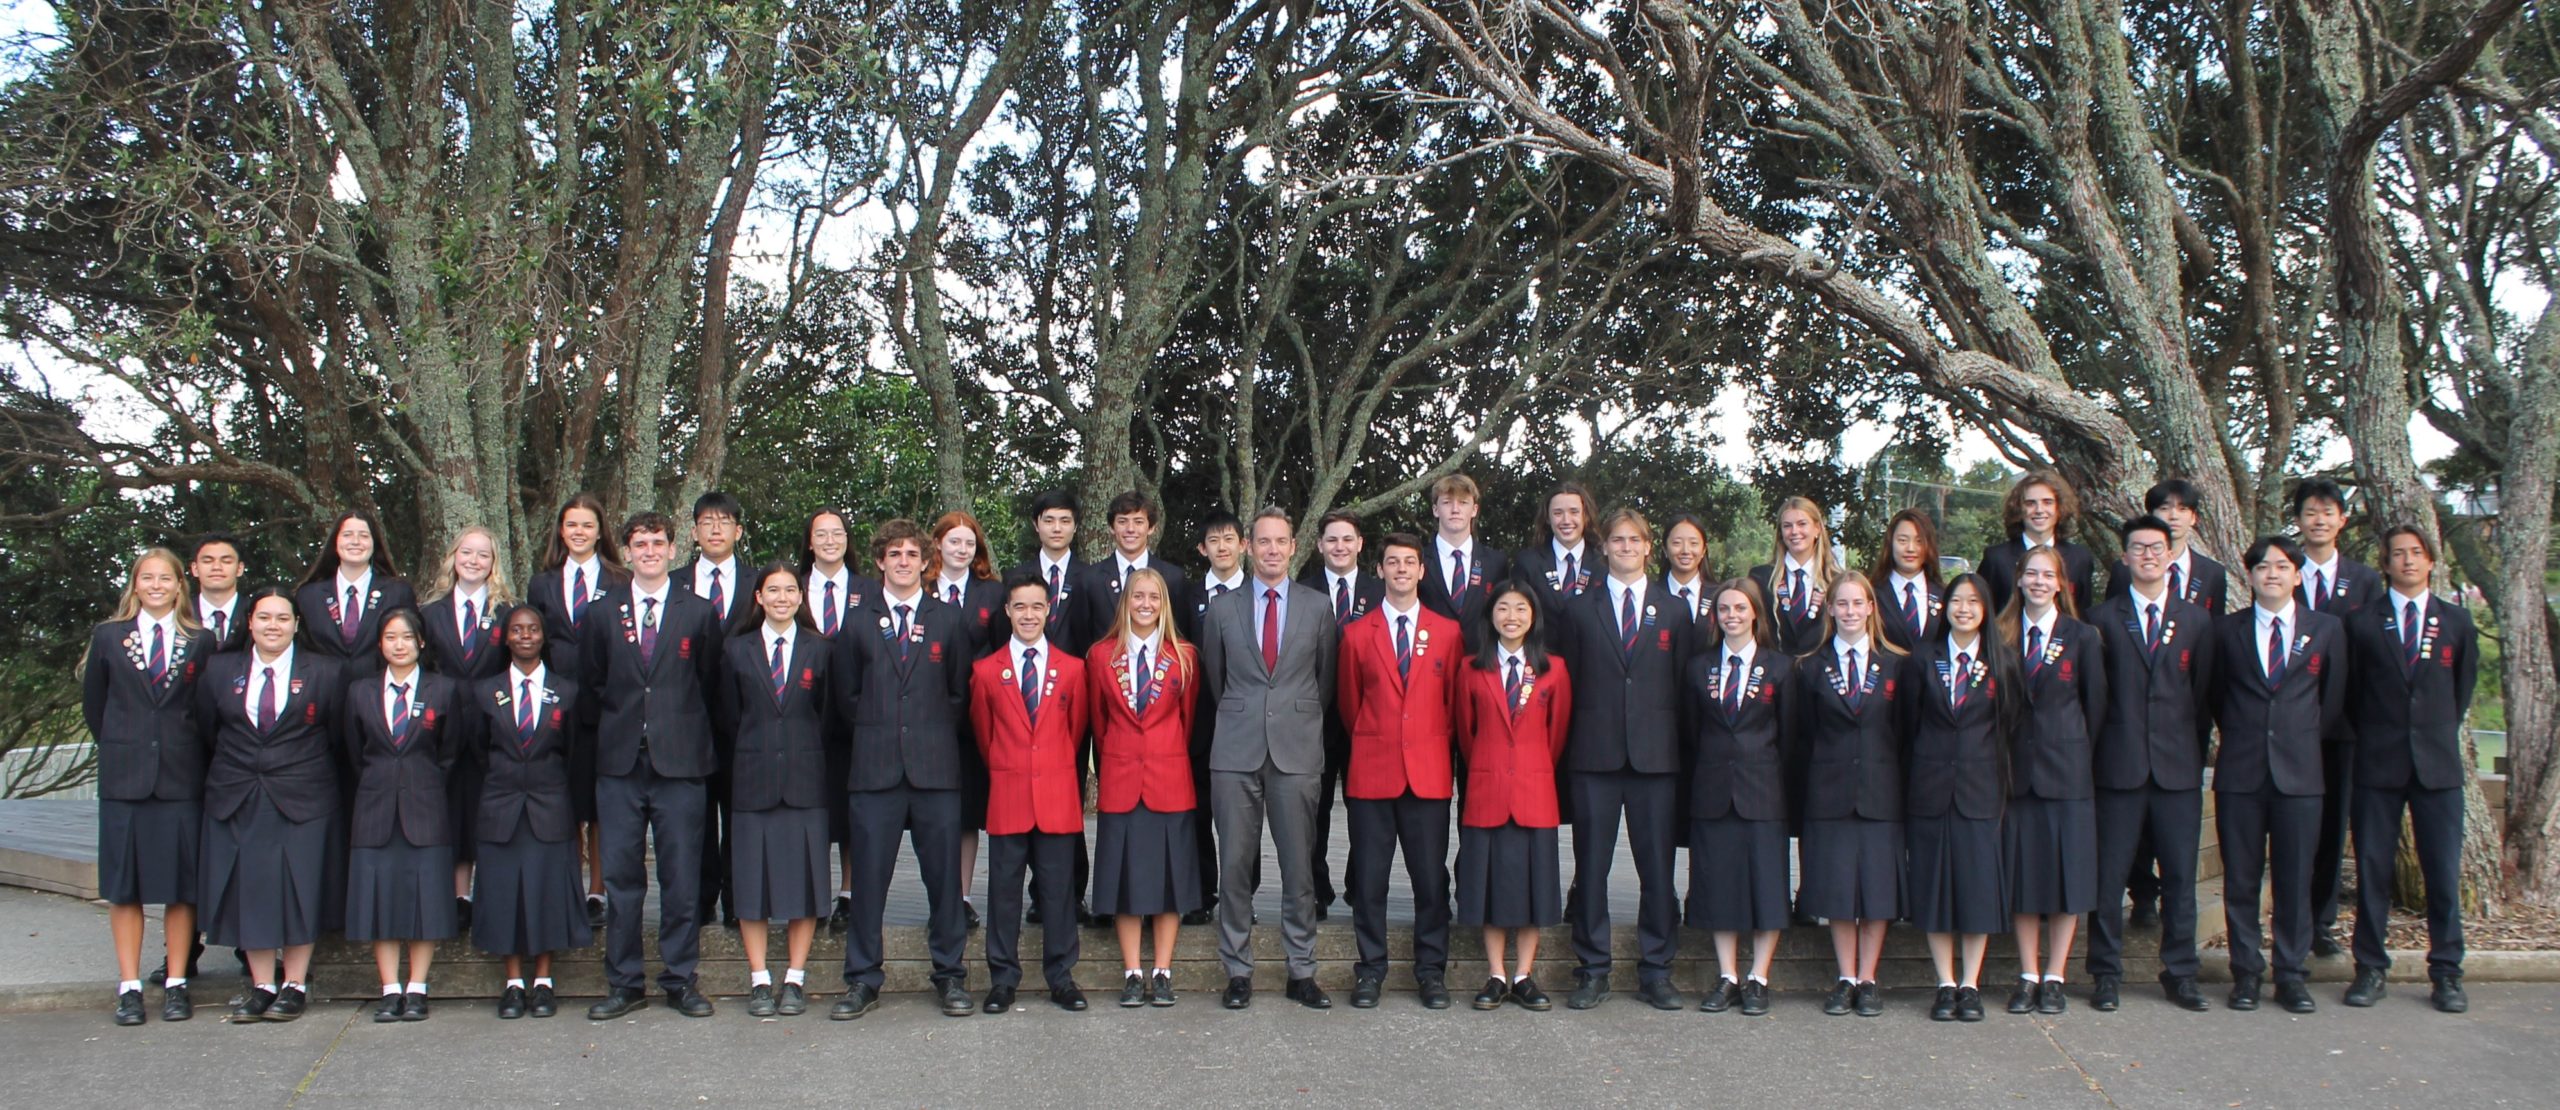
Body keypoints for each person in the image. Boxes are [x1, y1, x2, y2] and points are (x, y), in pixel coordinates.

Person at [578, 510, 726, 1020]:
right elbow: (595, 685)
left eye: (657, 542)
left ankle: (680, 979)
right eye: (639, 543)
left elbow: (707, 684)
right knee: (621, 879)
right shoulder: (602, 613)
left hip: (681, 763)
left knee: (681, 876)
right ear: (627, 551)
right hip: (619, 764)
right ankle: (624, 982)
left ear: (671, 549)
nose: (648, 551)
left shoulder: (700, 612)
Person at [832, 519, 976, 1020]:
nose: (902, 562)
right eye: (893, 554)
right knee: (869, 883)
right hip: (874, 772)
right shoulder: (856, 621)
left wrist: (926, 730)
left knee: (944, 883)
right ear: (879, 561)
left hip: (935, 771)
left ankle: (951, 975)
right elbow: (846, 696)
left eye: (911, 554)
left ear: (925, 561)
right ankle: (863, 979)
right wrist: (882, 729)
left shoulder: (947, 619)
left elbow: (959, 693)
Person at [1552, 508, 1692, 1011]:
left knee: (1658, 872)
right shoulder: (1577, 609)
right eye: (1617, 540)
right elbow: (1566, 684)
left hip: (1656, 761)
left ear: (1649, 547)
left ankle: (1656, 969)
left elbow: (1681, 688)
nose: (1626, 547)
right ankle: (1592, 968)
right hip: (1595, 757)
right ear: (1604, 547)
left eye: (1636, 540)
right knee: (1592, 869)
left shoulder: (1673, 611)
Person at [1201, 508, 1338, 1010]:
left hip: (1297, 751)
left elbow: (1324, 685)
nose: (1273, 550)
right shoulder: (1221, 609)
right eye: (1264, 542)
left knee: (1299, 867)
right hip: (1235, 750)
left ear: (1295, 545)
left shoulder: (1318, 607)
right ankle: (1238, 970)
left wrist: (1290, 720)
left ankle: (1301, 970)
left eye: (1281, 541)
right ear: (1248, 548)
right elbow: (1216, 682)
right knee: (1234, 864)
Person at [2083, 515, 2218, 1013]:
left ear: (2170, 555)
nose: (2148, 556)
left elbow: (2201, 697)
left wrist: (2189, 751)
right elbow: (2095, 699)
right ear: (2124, 558)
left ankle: (2180, 973)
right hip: (2117, 767)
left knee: (2181, 877)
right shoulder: (2101, 619)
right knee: (2109, 876)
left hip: (2177, 768)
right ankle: (2105, 973)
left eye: (2157, 548)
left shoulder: (2197, 620)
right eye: (2138, 548)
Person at [2207, 535, 2347, 1015]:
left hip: (2301, 775)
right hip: (2241, 773)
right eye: (2263, 566)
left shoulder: (2325, 630)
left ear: (2297, 574)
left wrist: (2296, 738)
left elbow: (2332, 702)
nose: (2272, 574)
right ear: (2249, 576)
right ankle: (2245, 973)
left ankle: (2291, 975)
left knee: (2294, 879)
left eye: (2282, 566)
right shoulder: (2225, 631)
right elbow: (2213, 695)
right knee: (2242, 880)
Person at [2342, 525, 2477, 1014]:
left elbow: (2460, 694)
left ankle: (2446, 972)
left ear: (2431, 561)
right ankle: (2371, 968)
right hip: (2378, 763)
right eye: (2398, 554)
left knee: (2441, 873)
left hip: (2438, 768)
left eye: (2416, 553)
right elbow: (2350, 695)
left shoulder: (2457, 623)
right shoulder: (2362, 623)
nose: (2408, 561)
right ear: (2386, 563)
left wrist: (2429, 731)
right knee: (2373, 871)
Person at [195, 586, 345, 1022]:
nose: (273, 626)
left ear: (297, 625)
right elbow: (208, 729)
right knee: (252, 891)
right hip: (238, 794)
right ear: (250, 622)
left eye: (283, 618)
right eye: (264, 617)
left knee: (301, 889)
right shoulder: (221, 671)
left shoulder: (325, 672)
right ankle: (261, 985)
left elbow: (339, 738)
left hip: (304, 795)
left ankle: (295, 984)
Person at [83, 548, 217, 1025]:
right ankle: (129, 986)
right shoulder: (108, 638)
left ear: (181, 585)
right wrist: (131, 749)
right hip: (126, 782)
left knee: (182, 889)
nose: (157, 585)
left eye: (167, 578)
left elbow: (206, 712)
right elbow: (96, 709)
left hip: (182, 781)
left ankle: (178, 981)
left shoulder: (201, 640)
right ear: (134, 584)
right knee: (125, 889)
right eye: (148, 577)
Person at [1335, 533, 1462, 1009]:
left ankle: (1431, 971)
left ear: (1422, 571)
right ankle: (1370, 969)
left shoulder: (1447, 632)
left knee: (1431, 880)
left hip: (1426, 774)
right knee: (1370, 880)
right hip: (1373, 771)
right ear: (1381, 571)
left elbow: (1451, 706)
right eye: (1393, 562)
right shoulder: (1355, 633)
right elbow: (1350, 705)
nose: (1402, 569)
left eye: (1410, 562)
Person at [716, 563, 837, 1018]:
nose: (783, 597)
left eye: (791, 590)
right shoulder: (735, 651)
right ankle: (760, 978)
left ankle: (795, 978)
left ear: (801, 598)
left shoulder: (821, 650)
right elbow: (727, 716)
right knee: (752, 884)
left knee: (805, 883)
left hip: (806, 781)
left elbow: (827, 716)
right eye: (774, 590)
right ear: (759, 598)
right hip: (753, 779)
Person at [970, 569, 1093, 1013]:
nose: (1028, 614)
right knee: (1003, 891)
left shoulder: (1073, 670)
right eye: (1019, 606)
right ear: (1007, 611)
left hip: (1057, 797)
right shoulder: (985, 673)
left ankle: (1061, 976)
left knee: (1059, 892)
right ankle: (1003, 978)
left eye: (1036, 606)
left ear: (1049, 610)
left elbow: (1075, 732)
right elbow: (985, 736)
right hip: (1008, 795)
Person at [1087, 568, 1204, 1007]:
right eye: (1138, 596)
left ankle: (1163, 970)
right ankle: (1133, 971)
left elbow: (1187, 720)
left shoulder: (1184, 655)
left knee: (1171, 879)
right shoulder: (1100, 656)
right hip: (1120, 780)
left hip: (1169, 781)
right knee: (1124, 880)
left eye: (1153, 597)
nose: (1145, 604)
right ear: (1125, 601)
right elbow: (1100, 723)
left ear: (1164, 602)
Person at [1998, 546, 2107, 1015]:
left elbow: (2096, 709)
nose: (2039, 581)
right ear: (2019, 580)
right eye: (2032, 574)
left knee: (2068, 880)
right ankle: (2026, 974)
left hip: (2068, 776)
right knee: (2025, 878)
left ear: (2062, 583)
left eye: (2049, 575)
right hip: (2017, 776)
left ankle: (2056, 976)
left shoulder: (2083, 637)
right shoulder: (2001, 637)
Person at [342, 607, 465, 1023]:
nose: (399, 644)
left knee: (425, 900)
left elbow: (450, 752)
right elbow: (353, 750)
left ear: (421, 643)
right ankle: (389, 987)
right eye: (391, 637)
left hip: (426, 806)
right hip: (374, 808)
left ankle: (417, 987)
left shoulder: (443, 690)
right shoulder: (360, 691)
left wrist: (420, 782)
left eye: (407, 637)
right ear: (380, 644)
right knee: (380, 901)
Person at [1453, 580, 1571, 1012]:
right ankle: (1495, 974)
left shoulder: (1552, 669)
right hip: (1486, 789)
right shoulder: (1471, 668)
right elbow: (1466, 733)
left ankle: (1524, 974)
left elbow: (1556, 734)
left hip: (1534, 791)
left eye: (1521, 608)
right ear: (1491, 616)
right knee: (1488, 886)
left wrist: (1530, 766)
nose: (1512, 617)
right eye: (1503, 608)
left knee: (1534, 886)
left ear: (1533, 617)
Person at [1901, 573, 2014, 1023]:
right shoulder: (1923, 660)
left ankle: (1971, 984)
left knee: (1976, 888)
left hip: (1980, 790)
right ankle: (1945, 983)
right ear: (1943, 607)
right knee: (1934, 887)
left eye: (1972, 602)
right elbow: (1907, 727)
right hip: (1930, 788)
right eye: (1955, 601)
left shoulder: (2001, 660)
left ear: (1985, 609)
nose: (1963, 609)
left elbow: (2009, 726)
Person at [1793, 573, 1906, 1017]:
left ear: (1871, 608)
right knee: (1840, 890)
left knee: (1877, 891)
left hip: (1881, 791)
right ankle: (1844, 976)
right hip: (1830, 791)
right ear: (1831, 610)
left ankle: (1868, 979)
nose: (1851, 612)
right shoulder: (1811, 667)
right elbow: (1802, 734)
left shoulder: (1896, 665)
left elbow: (1905, 732)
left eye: (1858, 603)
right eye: (1842, 604)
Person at [469, 607, 590, 1020]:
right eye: (517, 630)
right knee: (504, 896)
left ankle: (542, 981)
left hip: (549, 805)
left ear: (544, 636)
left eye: (533, 629)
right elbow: (476, 750)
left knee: (546, 894)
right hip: (501, 807)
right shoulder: (485, 692)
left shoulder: (566, 691)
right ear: (506, 638)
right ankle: (513, 983)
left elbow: (573, 752)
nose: (525, 635)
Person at [1680, 578, 1793, 1017]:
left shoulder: (1780, 668)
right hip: (1713, 793)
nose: (1731, 616)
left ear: (1755, 615)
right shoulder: (1698, 668)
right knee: (1719, 887)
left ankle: (1758, 977)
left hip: (1763, 793)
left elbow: (1790, 736)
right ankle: (1727, 975)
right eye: (1724, 609)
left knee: (1766, 887)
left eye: (1740, 609)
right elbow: (1692, 732)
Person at [523, 493, 626, 929]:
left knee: (601, 799)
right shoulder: (542, 582)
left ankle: (598, 891)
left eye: (587, 525)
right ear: (561, 531)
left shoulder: (620, 579)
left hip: (606, 701)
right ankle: (567, 884)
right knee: (564, 795)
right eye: (571, 525)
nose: (579, 532)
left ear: (600, 531)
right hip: (556, 699)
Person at [2291, 478, 2378, 958]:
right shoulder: (2283, 570)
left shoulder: (2363, 581)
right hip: (2291, 724)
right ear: (2299, 520)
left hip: (2343, 724)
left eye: (2328, 511)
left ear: (2343, 519)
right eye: (2310, 512)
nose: (2319, 520)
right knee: (2292, 824)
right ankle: (2290, 917)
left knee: (2331, 822)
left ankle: (2321, 919)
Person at [421, 526, 516, 933]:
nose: (474, 561)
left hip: (491, 727)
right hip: (441, 728)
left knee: (486, 809)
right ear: (453, 557)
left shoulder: (508, 612)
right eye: (467, 552)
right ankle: (456, 896)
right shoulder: (429, 612)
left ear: (494, 564)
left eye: (483, 555)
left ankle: (487, 894)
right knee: (450, 810)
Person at [1301, 509, 1383, 921]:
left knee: (1364, 808)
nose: (1339, 547)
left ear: (1360, 544)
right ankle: (1317, 890)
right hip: (1313, 718)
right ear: (1319, 546)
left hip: (1367, 718)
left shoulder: (1380, 590)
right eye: (1332, 540)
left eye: (1347, 539)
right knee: (1313, 810)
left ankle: (1358, 886)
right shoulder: (1303, 589)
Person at [800, 507, 876, 936]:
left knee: (852, 806)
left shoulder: (868, 590)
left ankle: (849, 893)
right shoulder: (794, 586)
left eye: (838, 533)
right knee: (812, 805)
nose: (830, 540)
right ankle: (811, 892)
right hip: (803, 709)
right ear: (809, 542)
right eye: (821, 534)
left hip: (855, 709)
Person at [674, 492, 747, 931]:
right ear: (694, 531)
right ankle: (700, 900)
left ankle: (738, 900)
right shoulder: (674, 582)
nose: (715, 529)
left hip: (744, 719)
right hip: (687, 719)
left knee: (739, 813)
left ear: (738, 531)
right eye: (707, 521)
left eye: (724, 522)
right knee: (695, 816)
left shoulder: (761, 582)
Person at [932, 510, 1008, 930]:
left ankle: (960, 896)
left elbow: (1001, 653)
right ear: (938, 544)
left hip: (977, 717)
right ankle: (937, 897)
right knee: (934, 811)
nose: (961, 549)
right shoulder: (921, 589)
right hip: (929, 716)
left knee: (967, 811)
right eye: (953, 541)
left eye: (969, 543)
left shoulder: (992, 594)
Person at [293, 509, 417, 676]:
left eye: (364, 536)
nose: (356, 541)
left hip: (377, 694)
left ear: (375, 543)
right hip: (322, 692)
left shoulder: (398, 592)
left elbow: (413, 646)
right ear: (335, 542)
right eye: (347, 535)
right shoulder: (308, 595)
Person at [1076, 490, 1197, 644]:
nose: (1130, 529)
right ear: (1111, 527)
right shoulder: (1090, 579)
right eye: (1122, 521)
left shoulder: (1173, 578)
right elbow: (1082, 638)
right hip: (1104, 666)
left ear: (1151, 527)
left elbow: (1180, 634)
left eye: (1138, 522)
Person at [1976, 471, 2097, 613]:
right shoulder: (1996, 558)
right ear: (2019, 509)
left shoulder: (2080, 558)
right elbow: (1984, 613)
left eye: (2047, 502)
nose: (2039, 510)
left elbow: (2082, 613)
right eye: (2030, 503)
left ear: (2059, 508)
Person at [2104, 480, 2228, 615]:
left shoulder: (2213, 572)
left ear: (2193, 518)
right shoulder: (2124, 569)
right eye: (2164, 508)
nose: (2174, 516)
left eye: (2183, 509)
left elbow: (2215, 626)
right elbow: (2112, 618)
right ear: (2151, 515)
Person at [1749, 496, 1842, 654]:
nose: (1794, 531)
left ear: (1817, 529)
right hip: (1775, 673)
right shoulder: (1761, 578)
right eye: (1787, 526)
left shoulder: (1836, 580)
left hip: (1822, 673)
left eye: (1802, 524)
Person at [1420, 474, 1508, 622]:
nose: (1455, 509)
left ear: (1474, 510)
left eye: (1463, 502)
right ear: (1435, 510)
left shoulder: (1496, 562)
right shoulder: (1417, 560)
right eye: (1447, 502)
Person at [1513, 481, 1600, 611]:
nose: (1566, 520)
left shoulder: (1603, 563)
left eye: (1574, 512)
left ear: (1585, 516)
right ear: (1547, 517)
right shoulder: (1528, 562)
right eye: (1558, 513)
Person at [1870, 508, 1945, 652]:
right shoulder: (1872, 593)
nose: (1911, 549)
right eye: (1902, 540)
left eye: (1919, 541)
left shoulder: (1944, 595)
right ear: (1890, 543)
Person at [190, 533, 249, 653]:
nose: (216, 567)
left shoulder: (254, 612)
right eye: (207, 561)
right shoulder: (180, 612)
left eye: (226, 561)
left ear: (239, 569)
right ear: (195, 569)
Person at [1660, 514, 1715, 629]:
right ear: (1665, 549)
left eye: (1693, 543)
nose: (1685, 550)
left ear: (1703, 550)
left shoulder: (1718, 596)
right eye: (1677, 543)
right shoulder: (1649, 595)